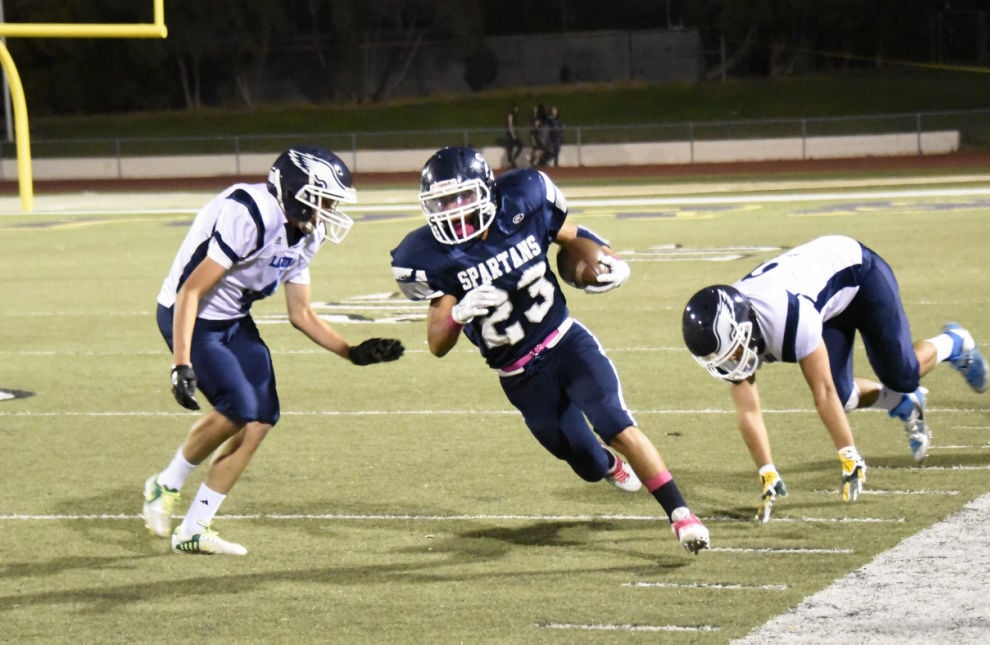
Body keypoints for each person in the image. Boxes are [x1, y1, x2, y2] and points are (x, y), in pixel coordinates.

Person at [390, 146, 709, 554]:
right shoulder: (428, 255)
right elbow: (437, 343)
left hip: (565, 341)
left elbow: (572, 236)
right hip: (520, 376)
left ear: (486, 191)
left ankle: (681, 514)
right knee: (586, 463)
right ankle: (608, 465)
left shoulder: (523, 199)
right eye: (442, 202)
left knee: (613, 419)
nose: (452, 210)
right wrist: (459, 314)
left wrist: (607, 259)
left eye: (461, 197)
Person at [143, 145, 405, 555]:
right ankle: (166, 484)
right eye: (325, 199)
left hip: (232, 317)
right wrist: (181, 363)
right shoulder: (249, 215)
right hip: (189, 314)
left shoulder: (306, 232)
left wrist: (351, 352)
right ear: (298, 191)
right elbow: (190, 290)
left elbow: (300, 313)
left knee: (262, 417)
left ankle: (194, 528)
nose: (330, 209)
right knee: (237, 406)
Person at [680, 235, 990, 523]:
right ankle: (905, 404)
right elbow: (748, 410)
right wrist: (767, 471)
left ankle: (954, 342)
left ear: (743, 328)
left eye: (733, 352)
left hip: (861, 277)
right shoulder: (736, 328)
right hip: (825, 304)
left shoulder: (785, 317)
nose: (733, 362)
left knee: (902, 374)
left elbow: (822, 392)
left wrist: (849, 454)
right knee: (846, 397)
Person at [503, 104, 523, 169]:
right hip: (510, 135)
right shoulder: (511, 115)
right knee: (510, 149)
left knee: (519, 146)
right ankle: (511, 163)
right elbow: (510, 125)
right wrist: (513, 134)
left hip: (513, 134)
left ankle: (512, 161)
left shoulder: (515, 115)